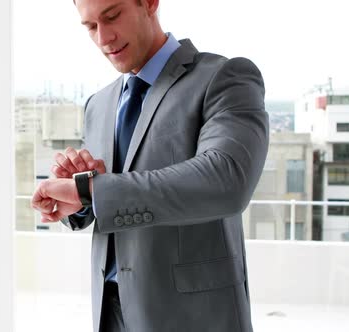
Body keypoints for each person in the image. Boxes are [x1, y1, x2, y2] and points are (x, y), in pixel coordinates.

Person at [30, 0, 269, 331]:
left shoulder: (224, 78)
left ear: (149, 3)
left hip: (192, 316)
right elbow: (105, 198)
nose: (104, 38)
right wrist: (77, 197)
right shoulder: (98, 105)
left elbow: (226, 180)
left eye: (112, 16)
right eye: (91, 27)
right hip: (110, 310)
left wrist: (93, 189)